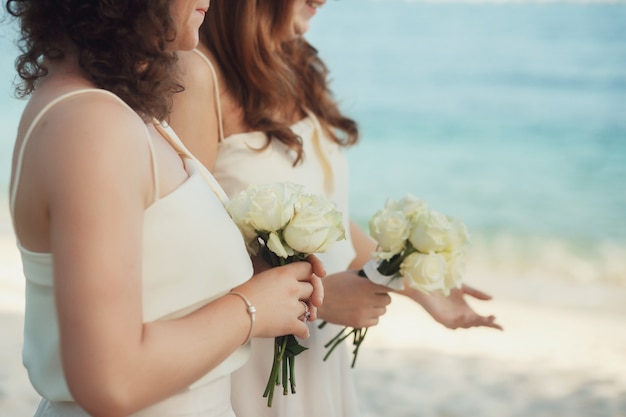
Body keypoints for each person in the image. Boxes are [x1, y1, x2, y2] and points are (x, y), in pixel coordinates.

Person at [170, 0, 503, 416]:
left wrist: (413, 278)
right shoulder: (198, 74)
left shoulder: (296, 65)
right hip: (252, 361)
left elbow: (329, 219)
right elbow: (189, 251)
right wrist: (319, 298)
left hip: (315, 357)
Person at [6, 1, 325, 416]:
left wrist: (253, 279)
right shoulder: (91, 123)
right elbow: (110, 380)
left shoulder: (122, 110)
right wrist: (250, 309)